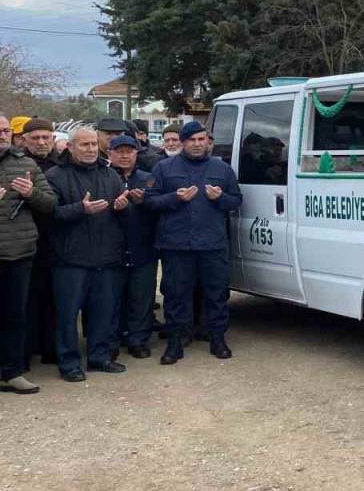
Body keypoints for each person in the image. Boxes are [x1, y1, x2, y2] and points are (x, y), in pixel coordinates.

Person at [145, 121, 241, 365]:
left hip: (212, 243)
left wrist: (221, 198)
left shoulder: (222, 169)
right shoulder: (164, 168)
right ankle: (175, 344)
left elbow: (237, 200)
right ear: (183, 142)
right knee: (176, 295)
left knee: (217, 293)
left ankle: (218, 339)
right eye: (192, 140)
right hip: (177, 245)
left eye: (201, 140)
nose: (197, 144)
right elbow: (149, 202)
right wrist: (174, 198)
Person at [45, 127, 131, 381]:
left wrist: (123, 207)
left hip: (107, 258)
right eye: (85, 145)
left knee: (103, 313)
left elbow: (123, 213)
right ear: (70, 147)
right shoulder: (55, 176)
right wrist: (80, 209)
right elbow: (50, 214)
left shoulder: (110, 175)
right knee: (67, 316)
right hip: (70, 260)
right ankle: (69, 363)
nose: (91, 149)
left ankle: (99, 357)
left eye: (94, 144)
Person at [0, 114, 56, 394]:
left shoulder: (25, 163)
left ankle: (12, 372)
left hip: (18, 253)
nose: (2, 135)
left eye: (5, 130)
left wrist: (31, 192)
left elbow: (49, 203)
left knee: (15, 316)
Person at [108, 135, 159, 359]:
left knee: (142, 297)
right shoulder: (104, 177)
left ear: (137, 153)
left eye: (130, 151)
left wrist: (144, 203)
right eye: (120, 151)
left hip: (143, 246)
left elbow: (160, 209)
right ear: (110, 154)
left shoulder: (149, 179)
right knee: (112, 298)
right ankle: (113, 339)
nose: (125, 155)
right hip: (111, 249)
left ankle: (138, 339)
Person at [18, 118, 61, 368]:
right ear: (24, 140)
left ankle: (51, 347)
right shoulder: (16, 163)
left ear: (53, 138)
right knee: (26, 299)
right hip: (23, 240)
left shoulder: (64, 164)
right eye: (35, 138)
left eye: (46, 137)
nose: (42, 142)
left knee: (54, 297)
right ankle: (25, 348)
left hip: (56, 239)